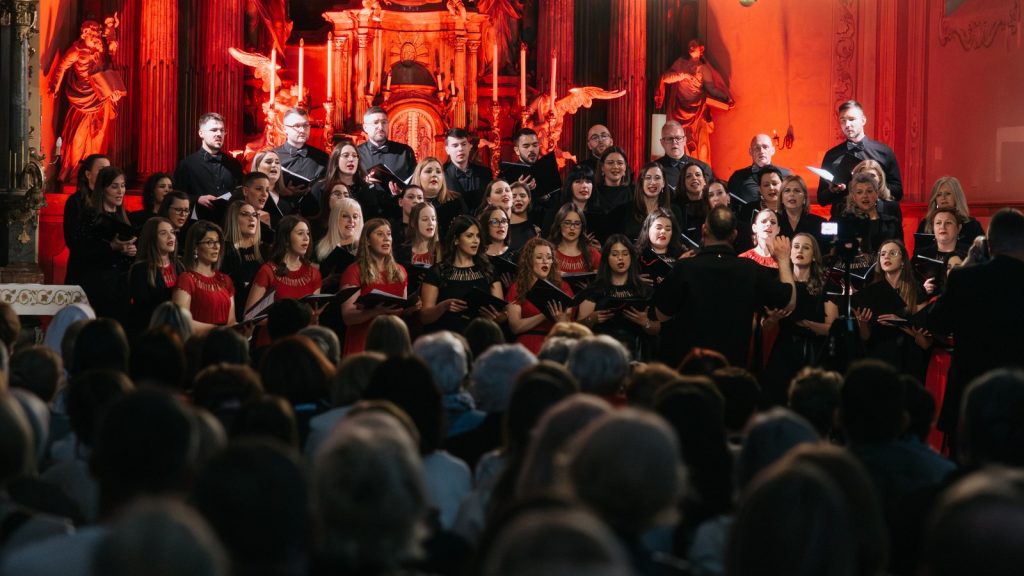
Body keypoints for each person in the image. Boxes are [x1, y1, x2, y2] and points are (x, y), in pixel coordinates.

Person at [929, 208, 1024, 451]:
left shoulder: (965, 279)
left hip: (968, 396)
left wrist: (968, 265)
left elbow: (935, 322)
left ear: (989, 244)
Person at [655, 206, 795, 368]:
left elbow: (661, 314)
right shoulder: (750, 269)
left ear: (704, 230)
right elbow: (786, 299)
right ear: (734, 234)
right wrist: (784, 260)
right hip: (733, 367)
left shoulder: (685, 267)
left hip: (692, 365)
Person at [762, 234, 838, 405]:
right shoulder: (778, 284)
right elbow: (764, 328)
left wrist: (804, 323)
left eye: (806, 247)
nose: (800, 251)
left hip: (815, 352)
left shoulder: (826, 285)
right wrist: (773, 320)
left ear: (814, 255)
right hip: (784, 350)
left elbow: (831, 327)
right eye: (795, 246)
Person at [50, 20, 123, 183]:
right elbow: (62, 66)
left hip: (100, 99)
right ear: (85, 35)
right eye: (94, 35)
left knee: (98, 138)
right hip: (82, 99)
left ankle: (95, 172)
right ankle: (76, 170)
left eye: (98, 35)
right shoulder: (76, 51)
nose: (97, 39)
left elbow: (108, 70)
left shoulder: (99, 52)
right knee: (78, 138)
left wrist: (113, 91)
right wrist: (55, 85)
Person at [852, 240, 931, 383]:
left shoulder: (916, 290)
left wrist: (898, 322)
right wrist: (862, 322)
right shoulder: (872, 290)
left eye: (893, 253)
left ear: (902, 261)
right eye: (882, 254)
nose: (886, 257)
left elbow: (925, 340)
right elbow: (866, 336)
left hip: (907, 358)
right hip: (878, 357)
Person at [817, 100, 903, 219]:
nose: (847, 124)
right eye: (843, 120)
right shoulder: (832, 155)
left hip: (877, 220)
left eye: (851, 119)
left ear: (863, 120)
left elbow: (898, 192)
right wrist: (835, 190)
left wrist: (874, 183)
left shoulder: (884, 152)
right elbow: (821, 199)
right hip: (843, 221)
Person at [576, 235, 658, 360]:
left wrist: (645, 322)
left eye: (625, 254)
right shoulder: (594, 290)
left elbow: (657, 329)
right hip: (601, 354)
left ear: (631, 256)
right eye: (615, 254)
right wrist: (591, 319)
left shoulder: (644, 290)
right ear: (607, 258)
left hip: (635, 353)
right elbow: (578, 330)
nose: (621, 258)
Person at [653, 38, 734, 165]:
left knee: (698, 143)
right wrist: (683, 75)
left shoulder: (703, 69)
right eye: (689, 44)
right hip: (679, 109)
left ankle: (698, 168)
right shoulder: (680, 63)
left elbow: (712, 89)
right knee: (679, 142)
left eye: (694, 45)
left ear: (701, 49)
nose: (691, 46)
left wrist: (725, 97)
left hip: (697, 110)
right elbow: (666, 78)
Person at [420, 215, 504, 334]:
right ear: (456, 240)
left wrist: (495, 318)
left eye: (478, 236)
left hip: (480, 338)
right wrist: (443, 307)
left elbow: (502, 315)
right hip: (447, 340)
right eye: (469, 236)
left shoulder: (488, 270)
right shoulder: (437, 271)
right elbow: (424, 317)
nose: (476, 240)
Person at [338, 218, 410, 356]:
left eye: (388, 234)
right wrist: (375, 312)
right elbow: (347, 316)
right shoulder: (354, 271)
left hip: (392, 341)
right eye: (380, 234)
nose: (386, 239)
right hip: (363, 341)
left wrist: (410, 307)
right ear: (368, 241)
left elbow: (400, 309)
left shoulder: (400, 271)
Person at [72, 166, 136, 320]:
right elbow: (82, 252)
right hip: (98, 285)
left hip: (121, 286)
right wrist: (112, 246)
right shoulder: (90, 217)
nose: (120, 191)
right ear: (103, 189)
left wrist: (131, 251)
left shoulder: (125, 217)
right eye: (114, 187)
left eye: (122, 186)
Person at [506, 237, 574, 354]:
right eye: (539, 257)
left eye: (549, 257)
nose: (545, 261)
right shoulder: (518, 287)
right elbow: (515, 327)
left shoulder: (563, 287)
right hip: (525, 347)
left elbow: (568, 327)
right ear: (529, 261)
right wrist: (545, 314)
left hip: (553, 345)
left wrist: (560, 320)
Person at [173, 113, 244, 221]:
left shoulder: (234, 164)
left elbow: (241, 192)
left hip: (230, 223)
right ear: (201, 133)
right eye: (214, 130)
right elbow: (176, 196)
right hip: (198, 225)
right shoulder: (187, 165)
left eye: (222, 130)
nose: (219, 134)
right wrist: (198, 199)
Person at [245, 215, 322, 312]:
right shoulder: (268, 271)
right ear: (286, 239)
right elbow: (249, 316)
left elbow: (313, 314)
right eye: (300, 233)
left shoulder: (313, 274)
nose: (306, 238)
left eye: (308, 233)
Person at [172, 221, 236, 333]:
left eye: (218, 242)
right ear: (195, 247)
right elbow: (181, 322)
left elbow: (231, 322)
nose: (216, 247)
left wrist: (244, 331)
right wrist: (217, 329)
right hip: (198, 345)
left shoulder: (225, 280)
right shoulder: (186, 279)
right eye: (210, 242)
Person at [128, 218, 182, 336]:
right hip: (154, 332)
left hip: (179, 329)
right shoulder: (141, 269)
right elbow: (142, 310)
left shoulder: (179, 266)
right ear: (151, 238)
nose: (170, 237)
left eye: (172, 232)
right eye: (163, 233)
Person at [606, 162, 680, 246]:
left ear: (663, 183)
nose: (653, 182)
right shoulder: (623, 211)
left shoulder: (674, 211)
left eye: (657, 178)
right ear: (641, 182)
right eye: (648, 178)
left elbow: (677, 243)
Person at [63, 154, 110, 285]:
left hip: (108, 274)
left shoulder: (113, 201)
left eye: (109, 170)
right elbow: (72, 240)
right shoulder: (76, 202)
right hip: (83, 271)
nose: (106, 174)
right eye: (102, 170)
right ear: (88, 174)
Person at [272, 107, 329, 213]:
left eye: (306, 125)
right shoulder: (273, 156)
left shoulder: (322, 157)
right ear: (285, 129)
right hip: (282, 215)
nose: (302, 130)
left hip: (313, 215)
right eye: (297, 126)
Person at [357, 106, 417, 203]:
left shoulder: (405, 152)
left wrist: (402, 192)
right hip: (367, 212)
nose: (380, 127)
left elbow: (415, 184)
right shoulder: (356, 154)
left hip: (399, 211)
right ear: (365, 127)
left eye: (384, 122)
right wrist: (365, 184)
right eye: (375, 123)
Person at [837, 173, 903, 258]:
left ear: (876, 194)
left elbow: (901, 252)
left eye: (869, 191)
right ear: (854, 197)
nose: (865, 196)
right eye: (859, 192)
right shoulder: (845, 222)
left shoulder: (892, 223)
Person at [219, 200, 265, 322]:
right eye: (245, 214)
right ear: (233, 219)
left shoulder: (264, 250)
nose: (252, 218)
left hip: (260, 316)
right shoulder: (224, 249)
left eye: (254, 215)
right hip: (232, 314)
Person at [309, 139, 374, 224]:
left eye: (355, 156)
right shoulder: (321, 187)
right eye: (346, 155)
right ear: (336, 159)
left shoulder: (365, 189)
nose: (351, 159)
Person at [727, 134, 793, 209]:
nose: (761, 151)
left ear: (772, 150)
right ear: (750, 151)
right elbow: (731, 206)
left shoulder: (786, 175)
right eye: (757, 148)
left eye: (765, 147)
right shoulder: (738, 177)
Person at [548, 204, 600, 292]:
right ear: (559, 224)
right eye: (567, 223)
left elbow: (607, 277)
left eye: (577, 224)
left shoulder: (592, 252)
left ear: (582, 227)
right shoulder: (548, 251)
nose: (572, 228)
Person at [916, 176, 984, 242]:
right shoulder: (925, 224)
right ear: (935, 199)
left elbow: (982, 251)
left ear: (957, 197)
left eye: (948, 194)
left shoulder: (972, 225)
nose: (943, 197)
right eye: (939, 195)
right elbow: (918, 252)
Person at [412, 156, 467, 236]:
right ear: (418, 176)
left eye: (438, 172)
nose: (434, 175)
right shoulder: (411, 202)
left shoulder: (456, 199)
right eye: (428, 171)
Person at [655, 120, 713, 195]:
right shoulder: (655, 170)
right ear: (662, 143)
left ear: (685, 140)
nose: (674, 142)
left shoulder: (703, 168)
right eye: (669, 139)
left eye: (678, 138)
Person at [736, 165, 785, 252]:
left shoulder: (788, 211)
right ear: (760, 189)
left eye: (774, 183)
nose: (771, 188)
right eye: (766, 185)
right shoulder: (748, 210)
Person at [393, 202, 438, 296]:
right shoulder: (400, 252)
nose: (431, 223)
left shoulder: (443, 250)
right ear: (413, 223)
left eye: (433, 219)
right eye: (425, 219)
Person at [443, 127, 492, 210]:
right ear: (447, 150)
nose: (460, 149)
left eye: (464, 144)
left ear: (470, 147)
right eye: (455, 145)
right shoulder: (441, 174)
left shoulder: (485, 173)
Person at [776, 174, 826, 248]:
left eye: (797, 191)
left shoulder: (820, 223)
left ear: (804, 198)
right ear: (781, 198)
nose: (792, 194)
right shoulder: (772, 221)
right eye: (787, 191)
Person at [594, 146, 632, 212]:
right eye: (610, 163)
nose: (615, 166)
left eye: (620, 163)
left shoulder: (633, 193)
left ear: (625, 167)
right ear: (602, 167)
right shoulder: (593, 192)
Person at [508, 182, 538, 251]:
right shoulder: (502, 228)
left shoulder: (535, 231)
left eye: (522, 196)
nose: (518, 199)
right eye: (513, 196)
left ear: (529, 199)